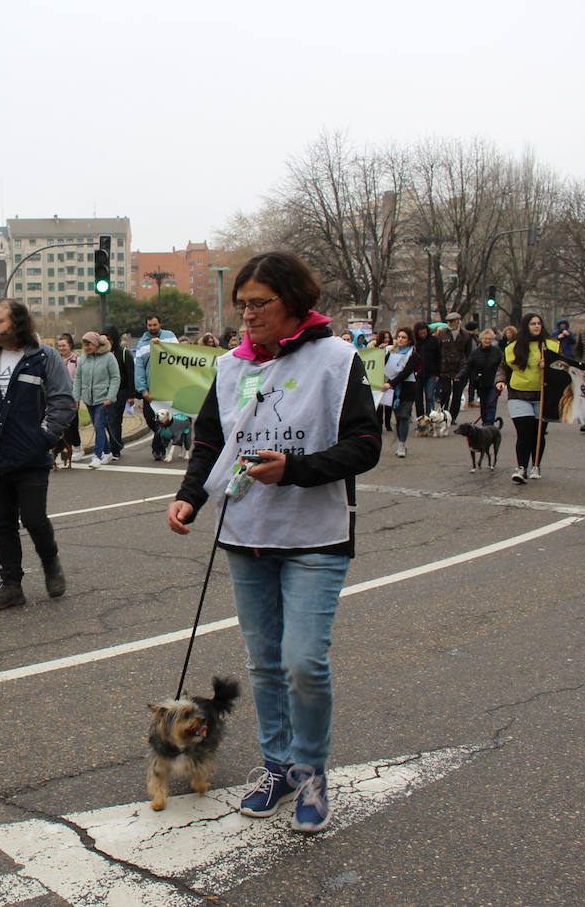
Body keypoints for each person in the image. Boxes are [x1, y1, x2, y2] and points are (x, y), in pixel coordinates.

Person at [167, 252, 380, 835]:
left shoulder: (337, 359)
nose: (248, 316)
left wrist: (296, 469)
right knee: (265, 664)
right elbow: (211, 440)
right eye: (242, 305)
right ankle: (277, 766)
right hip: (246, 533)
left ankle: (312, 771)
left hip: (316, 534)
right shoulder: (232, 367)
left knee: (303, 662)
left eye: (259, 304)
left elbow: (365, 445)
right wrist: (191, 494)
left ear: (294, 301)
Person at [0, 299, 75, 610]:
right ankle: (11, 586)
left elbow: (63, 402)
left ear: (17, 324)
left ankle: (50, 561)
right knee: (3, 524)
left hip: (30, 457)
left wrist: (43, 439)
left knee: (33, 518)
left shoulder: (45, 358)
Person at [496, 313, 559, 484]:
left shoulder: (552, 345)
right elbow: (503, 367)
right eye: (533, 324)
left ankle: (536, 466)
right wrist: (500, 381)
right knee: (523, 432)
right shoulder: (514, 346)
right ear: (526, 326)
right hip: (519, 393)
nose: (537, 326)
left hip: (543, 394)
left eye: (539, 323)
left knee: (538, 433)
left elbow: (563, 368)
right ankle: (521, 468)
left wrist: (550, 367)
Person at [135, 314, 180, 461]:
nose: (152, 328)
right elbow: (139, 367)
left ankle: (158, 449)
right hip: (151, 389)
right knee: (150, 418)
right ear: (146, 326)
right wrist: (142, 390)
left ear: (160, 324)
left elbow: (179, 357)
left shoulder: (170, 336)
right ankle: (164, 439)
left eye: (155, 325)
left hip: (168, 387)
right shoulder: (142, 343)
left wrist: (161, 346)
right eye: (150, 325)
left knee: (164, 418)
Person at [73, 330, 119, 468]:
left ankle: (97, 456)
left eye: (89, 344)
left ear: (96, 344)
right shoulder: (83, 359)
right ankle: (107, 452)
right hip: (88, 399)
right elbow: (78, 379)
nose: (86, 347)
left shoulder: (109, 357)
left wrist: (110, 397)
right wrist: (76, 398)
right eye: (84, 344)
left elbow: (115, 378)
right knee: (97, 426)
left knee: (99, 426)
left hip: (103, 399)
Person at [383, 328, 418, 456]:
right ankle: (400, 441)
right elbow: (383, 364)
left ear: (409, 340)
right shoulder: (391, 351)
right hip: (393, 390)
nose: (400, 339)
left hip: (407, 388)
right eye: (399, 337)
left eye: (404, 337)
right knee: (398, 417)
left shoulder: (413, 354)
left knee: (404, 416)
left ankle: (402, 445)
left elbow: (405, 373)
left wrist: (390, 384)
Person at [103, 324, 134, 460]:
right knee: (108, 421)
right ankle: (116, 445)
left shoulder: (124, 353)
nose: (107, 342)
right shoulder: (101, 353)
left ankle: (115, 449)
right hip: (104, 392)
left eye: (110, 339)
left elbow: (131, 375)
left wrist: (131, 395)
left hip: (121, 392)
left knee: (115, 420)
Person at [465, 329, 503, 427]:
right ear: (481, 339)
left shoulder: (497, 351)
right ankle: (484, 420)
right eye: (485, 339)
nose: (487, 341)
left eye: (489, 339)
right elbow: (468, 366)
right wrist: (460, 376)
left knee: (491, 404)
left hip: (494, 382)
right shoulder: (475, 352)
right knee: (483, 404)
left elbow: (502, 365)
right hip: (481, 383)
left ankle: (489, 424)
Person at [438, 312, 472, 419]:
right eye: (448, 321)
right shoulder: (442, 333)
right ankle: (444, 414)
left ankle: (453, 417)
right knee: (445, 392)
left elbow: (468, 352)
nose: (450, 323)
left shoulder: (466, 335)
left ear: (458, 321)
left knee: (457, 394)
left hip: (459, 368)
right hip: (445, 367)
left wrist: (465, 367)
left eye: (452, 321)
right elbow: (438, 350)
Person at [55, 333, 83, 460]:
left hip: (72, 397)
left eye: (64, 345)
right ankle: (63, 451)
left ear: (70, 345)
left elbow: (78, 379)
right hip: (58, 397)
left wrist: (76, 399)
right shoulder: (56, 360)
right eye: (59, 345)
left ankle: (77, 448)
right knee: (60, 426)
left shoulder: (77, 360)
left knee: (72, 424)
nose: (61, 348)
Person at [412, 322, 440, 416]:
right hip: (418, 373)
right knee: (418, 398)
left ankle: (430, 416)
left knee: (429, 396)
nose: (423, 335)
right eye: (421, 333)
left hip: (431, 372)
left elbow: (439, 357)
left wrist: (438, 374)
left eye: (424, 333)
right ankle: (420, 417)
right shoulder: (415, 342)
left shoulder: (434, 341)